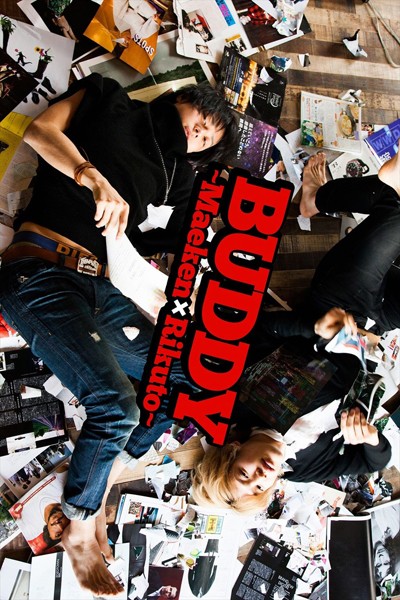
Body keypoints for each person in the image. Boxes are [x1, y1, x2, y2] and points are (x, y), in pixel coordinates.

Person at [0, 74, 237, 596]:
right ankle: (80, 522)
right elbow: (40, 132)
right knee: (116, 407)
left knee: (188, 379)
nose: (196, 134)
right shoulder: (110, 99)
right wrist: (93, 179)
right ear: (179, 100)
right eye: (198, 121)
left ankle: (101, 477)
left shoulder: (177, 177)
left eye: (206, 138)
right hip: (38, 270)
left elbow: (178, 239)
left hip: (100, 284)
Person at [191, 150, 400, 514]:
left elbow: (260, 327)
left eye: (244, 474)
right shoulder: (305, 470)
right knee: (391, 201)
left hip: (339, 301)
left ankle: (317, 198)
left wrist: (314, 328)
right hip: (376, 328)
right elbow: (375, 461)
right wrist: (370, 439)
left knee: (396, 207)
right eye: (259, 487)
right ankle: (320, 198)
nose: (260, 476)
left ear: (234, 451)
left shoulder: (240, 401)